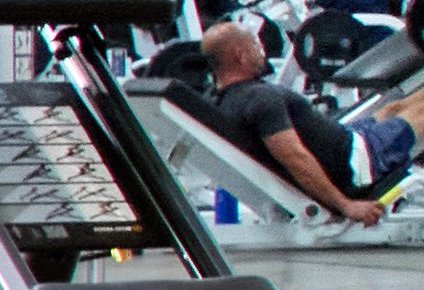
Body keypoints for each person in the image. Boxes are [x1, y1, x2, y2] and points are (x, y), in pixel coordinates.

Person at [156, 12, 393, 227]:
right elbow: (294, 157)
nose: (262, 51)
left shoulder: (218, 100)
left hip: (350, 138)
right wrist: (345, 205)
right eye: (255, 45)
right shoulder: (261, 99)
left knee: (396, 107)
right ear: (241, 55)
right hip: (356, 161)